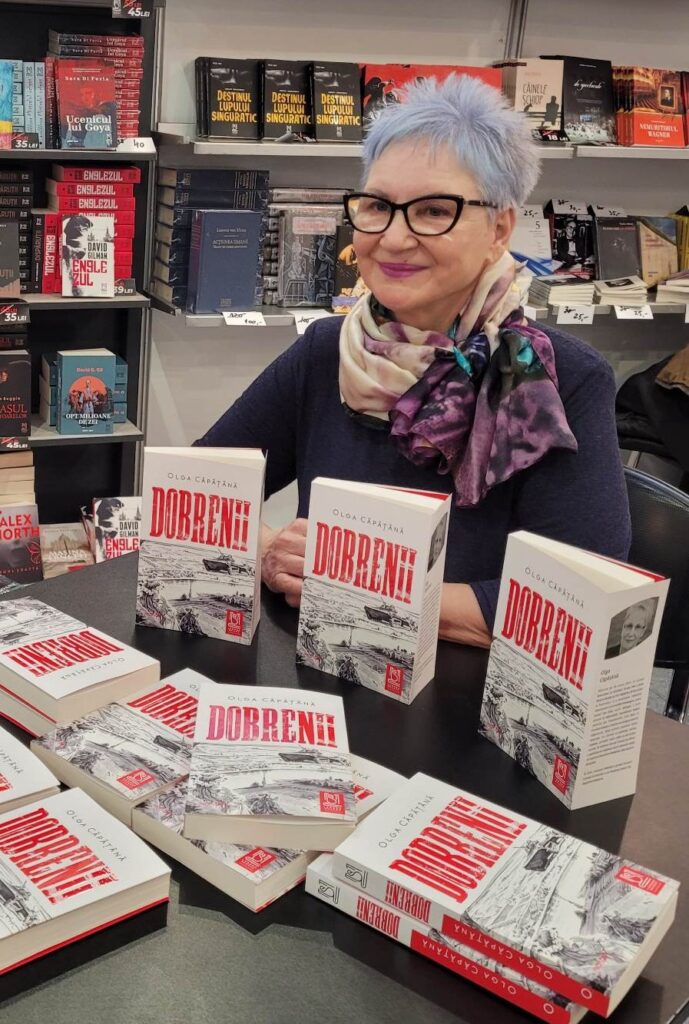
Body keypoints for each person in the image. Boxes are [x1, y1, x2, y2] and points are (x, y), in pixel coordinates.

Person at [195, 75, 631, 648]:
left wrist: (359, 585)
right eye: (378, 206)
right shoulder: (327, 351)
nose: (394, 239)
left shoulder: (556, 380)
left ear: (499, 228)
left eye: (433, 211)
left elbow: (580, 601)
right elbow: (198, 488)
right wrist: (273, 550)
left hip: (464, 688)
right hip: (322, 663)